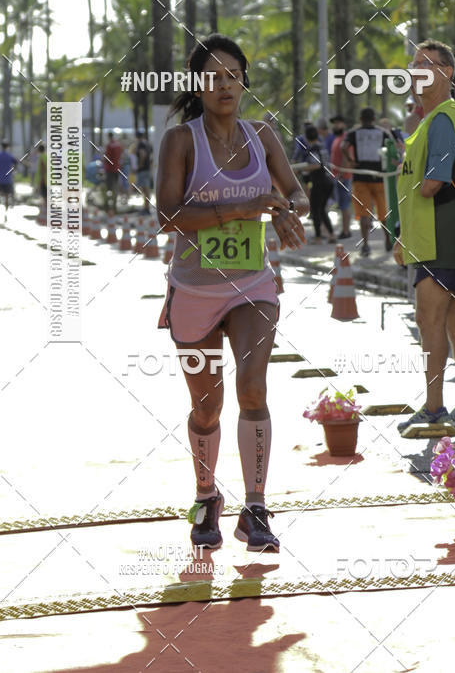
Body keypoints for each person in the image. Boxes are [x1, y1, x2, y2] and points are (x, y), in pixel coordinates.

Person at [156, 33, 309, 553]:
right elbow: (167, 216)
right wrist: (241, 210)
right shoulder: (181, 141)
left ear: (245, 81)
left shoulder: (262, 135)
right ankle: (206, 498)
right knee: (206, 407)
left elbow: (297, 193)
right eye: (213, 77)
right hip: (194, 290)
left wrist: (291, 211)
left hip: (252, 285)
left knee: (252, 386)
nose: (224, 85)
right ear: (197, 87)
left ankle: (256, 507)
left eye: (233, 75)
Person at [393, 39, 455, 433]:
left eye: (427, 64)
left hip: (438, 237)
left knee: (430, 321)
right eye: (414, 64)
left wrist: (407, 228)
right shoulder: (445, 117)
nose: (417, 70)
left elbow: (433, 182)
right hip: (453, 235)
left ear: (447, 73)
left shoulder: (444, 117)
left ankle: (434, 407)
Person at [342, 107, 391, 256]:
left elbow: (343, 147)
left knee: (364, 214)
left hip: (360, 177)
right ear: (374, 119)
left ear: (360, 119)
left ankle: (365, 245)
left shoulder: (353, 133)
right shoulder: (382, 133)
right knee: (384, 213)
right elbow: (390, 149)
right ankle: (388, 241)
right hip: (379, 177)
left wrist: (351, 160)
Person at [303, 125, 335, 244]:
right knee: (321, 209)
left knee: (315, 209)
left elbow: (316, 165)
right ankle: (331, 234)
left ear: (306, 138)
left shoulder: (313, 149)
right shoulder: (323, 147)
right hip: (328, 181)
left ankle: (318, 237)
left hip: (319, 182)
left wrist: (302, 169)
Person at [329, 115, 352, 239]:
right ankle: (344, 229)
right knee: (342, 205)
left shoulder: (345, 138)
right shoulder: (337, 138)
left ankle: (346, 231)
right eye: (334, 123)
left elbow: (346, 158)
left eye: (338, 123)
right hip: (337, 176)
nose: (335, 126)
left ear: (343, 124)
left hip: (344, 177)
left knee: (344, 205)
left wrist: (341, 174)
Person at [0, 140, 18, 219]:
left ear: (1, 146)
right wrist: (13, 171)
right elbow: (16, 162)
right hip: (7, 179)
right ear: (7, 147)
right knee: (7, 197)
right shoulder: (10, 156)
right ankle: (6, 213)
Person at [103, 132, 123, 214]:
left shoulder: (109, 145)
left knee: (108, 189)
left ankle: (108, 207)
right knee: (115, 188)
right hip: (117, 168)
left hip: (110, 169)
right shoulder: (118, 145)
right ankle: (115, 207)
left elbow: (106, 157)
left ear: (108, 136)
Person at [134, 129, 153, 212]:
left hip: (143, 169)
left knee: (145, 189)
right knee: (146, 189)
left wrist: (140, 165)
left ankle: (146, 208)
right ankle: (146, 207)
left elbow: (143, 154)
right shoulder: (148, 144)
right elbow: (151, 155)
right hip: (147, 168)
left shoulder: (141, 144)